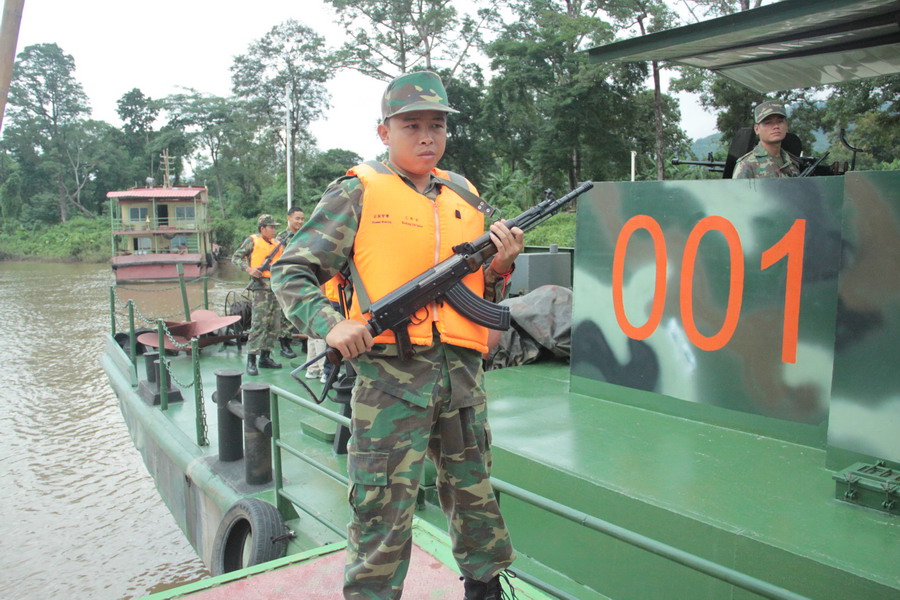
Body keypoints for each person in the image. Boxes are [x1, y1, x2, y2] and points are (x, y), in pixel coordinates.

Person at [272, 71, 523, 600]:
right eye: (412, 126)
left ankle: (485, 588)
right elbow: (290, 271)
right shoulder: (356, 192)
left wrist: (500, 268)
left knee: (476, 496)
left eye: (437, 125)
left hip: (461, 378)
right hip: (389, 381)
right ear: (384, 132)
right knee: (382, 508)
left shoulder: (464, 195)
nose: (427, 137)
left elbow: (482, 294)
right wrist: (331, 325)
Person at [231, 214, 285, 376]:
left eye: (275, 227)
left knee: (274, 324)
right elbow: (236, 257)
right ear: (262, 228)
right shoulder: (252, 241)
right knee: (259, 324)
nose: (274, 230)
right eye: (271, 227)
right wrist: (249, 270)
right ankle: (251, 360)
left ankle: (265, 357)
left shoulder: (277, 244)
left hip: (276, 287)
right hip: (261, 288)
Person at [732, 100, 801, 179]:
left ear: (786, 126)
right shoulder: (747, 165)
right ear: (757, 129)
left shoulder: (792, 163)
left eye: (780, 121)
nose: (776, 126)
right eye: (768, 123)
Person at [274, 206, 305, 359]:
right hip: (286, 279)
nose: (300, 221)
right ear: (289, 218)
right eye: (297, 218)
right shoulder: (282, 238)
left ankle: (306, 342)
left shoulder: (305, 235)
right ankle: (284, 344)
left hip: (302, 276)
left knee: (303, 309)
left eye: (302, 219)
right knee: (285, 313)